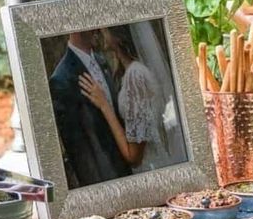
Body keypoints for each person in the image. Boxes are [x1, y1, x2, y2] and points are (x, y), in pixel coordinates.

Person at [78, 25, 171, 174]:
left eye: (106, 28)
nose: (100, 29)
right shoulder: (127, 72)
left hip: (150, 171)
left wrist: (104, 105)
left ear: (118, 35)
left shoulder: (135, 75)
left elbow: (134, 157)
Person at [49, 31, 132, 187]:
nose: (98, 30)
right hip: (105, 181)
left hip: (128, 169)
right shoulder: (62, 79)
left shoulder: (102, 61)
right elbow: (81, 155)